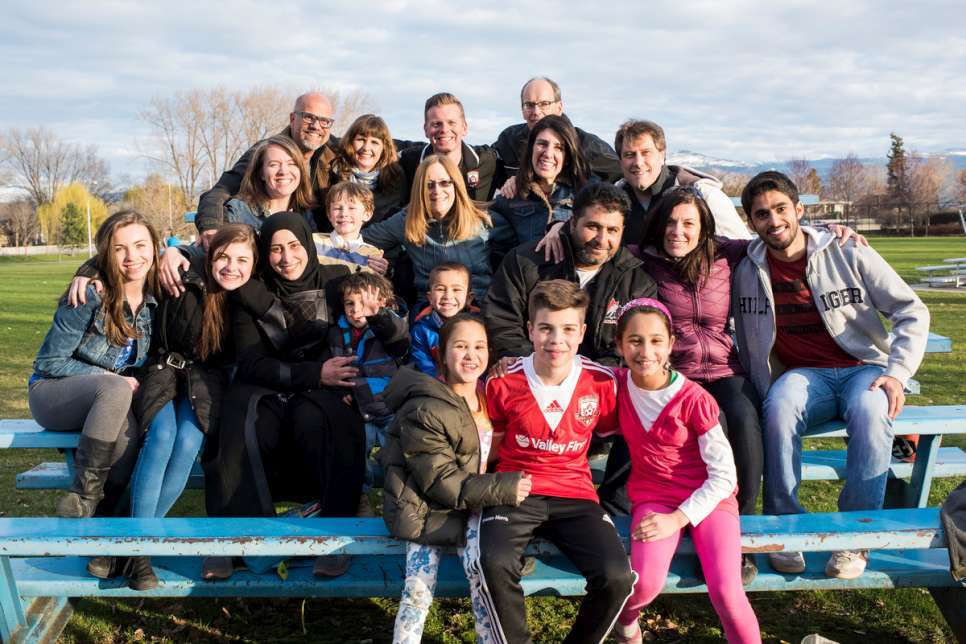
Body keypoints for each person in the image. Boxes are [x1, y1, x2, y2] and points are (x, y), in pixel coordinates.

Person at [733, 171, 930, 579]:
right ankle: (783, 527)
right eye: (762, 214)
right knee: (780, 405)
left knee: (872, 410)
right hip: (805, 375)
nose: (774, 221)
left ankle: (854, 537)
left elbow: (911, 310)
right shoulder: (747, 266)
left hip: (863, 368)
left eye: (781, 209)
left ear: (799, 210)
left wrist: (897, 372)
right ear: (751, 222)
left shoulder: (846, 250)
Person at [86, 224, 258, 591]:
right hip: (161, 373)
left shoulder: (248, 297)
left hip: (205, 386)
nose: (231, 266)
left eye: (243, 260)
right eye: (224, 257)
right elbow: (127, 262)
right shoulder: (179, 274)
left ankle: (122, 544)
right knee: (162, 435)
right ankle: (140, 553)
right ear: (209, 256)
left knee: (187, 442)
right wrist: (86, 272)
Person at [202, 212, 364, 580]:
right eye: (275, 249)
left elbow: (366, 321)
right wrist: (311, 373)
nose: (286, 257)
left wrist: (332, 377)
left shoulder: (337, 282)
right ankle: (230, 539)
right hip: (268, 381)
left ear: (307, 243)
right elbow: (251, 360)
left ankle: (335, 535)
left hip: (326, 382)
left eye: (294, 246)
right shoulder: (251, 292)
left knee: (336, 421)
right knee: (238, 425)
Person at [473, 280, 635, 644]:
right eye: (545, 328)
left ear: (581, 332)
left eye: (566, 329)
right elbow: (487, 445)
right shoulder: (503, 381)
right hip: (513, 491)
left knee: (617, 577)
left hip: (575, 494)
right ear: (530, 330)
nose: (555, 339)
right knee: (494, 562)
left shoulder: (601, 381)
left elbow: (626, 428)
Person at [609, 299, 761, 644]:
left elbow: (724, 477)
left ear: (671, 344)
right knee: (644, 583)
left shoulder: (695, 399)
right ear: (619, 344)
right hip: (655, 496)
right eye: (634, 340)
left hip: (710, 497)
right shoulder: (617, 384)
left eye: (656, 340)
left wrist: (678, 519)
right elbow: (570, 368)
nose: (645, 351)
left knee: (726, 591)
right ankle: (626, 626)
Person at [636, 187, 764, 583]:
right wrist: (556, 228)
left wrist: (826, 232)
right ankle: (698, 525)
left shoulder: (726, 254)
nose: (678, 231)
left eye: (688, 223)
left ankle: (736, 529)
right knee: (712, 426)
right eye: (671, 222)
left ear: (703, 228)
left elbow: (777, 239)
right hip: (680, 376)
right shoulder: (642, 260)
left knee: (742, 418)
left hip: (726, 368)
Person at [28, 211, 159, 586]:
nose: (131, 256)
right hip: (53, 394)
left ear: (154, 249)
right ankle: (83, 495)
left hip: (109, 403)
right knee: (117, 388)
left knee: (131, 437)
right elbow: (49, 363)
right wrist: (107, 377)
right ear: (107, 253)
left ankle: (104, 543)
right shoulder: (89, 293)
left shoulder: (154, 298)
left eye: (139, 246)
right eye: (120, 248)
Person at [382, 314, 531, 643]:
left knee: (483, 585)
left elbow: (483, 452)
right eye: (460, 346)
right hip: (424, 510)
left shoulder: (486, 395)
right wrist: (505, 488)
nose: (471, 355)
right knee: (417, 592)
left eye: (479, 346)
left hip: (473, 507)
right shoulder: (426, 405)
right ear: (440, 353)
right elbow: (440, 480)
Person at [484, 181, 656, 367]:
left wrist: (590, 378)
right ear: (573, 222)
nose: (601, 240)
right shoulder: (525, 262)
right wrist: (535, 367)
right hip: (533, 375)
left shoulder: (638, 284)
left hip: (602, 385)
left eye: (612, 230)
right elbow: (502, 320)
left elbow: (631, 344)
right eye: (593, 227)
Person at [363, 154, 513, 302]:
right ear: (419, 190)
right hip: (429, 311)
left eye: (445, 183)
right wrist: (375, 262)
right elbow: (357, 240)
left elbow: (517, 251)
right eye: (429, 185)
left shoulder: (483, 219)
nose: (437, 190)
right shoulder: (406, 221)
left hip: (477, 306)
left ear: (456, 185)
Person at [196, 92, 338, 243]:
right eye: (308, 117)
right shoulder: (266, 151)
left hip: (322, 240)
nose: (316, 126)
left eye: (324, 121)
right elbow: (220, 192)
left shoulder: (336, 151)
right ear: (293, 119)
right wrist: (211, 227)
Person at [328, 272, 409, 504]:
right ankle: (361, 498)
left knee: (396, 456)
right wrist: (340, 392)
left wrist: (380, 316)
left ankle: (399, 497)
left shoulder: (385, 327)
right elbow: (333, 369)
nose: (356, 310)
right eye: (350, 304)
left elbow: (399, 339)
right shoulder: (336, 333)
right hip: (358, 409)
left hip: (387, 406)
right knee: (356, 457)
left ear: (381, 302)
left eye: (363, 303)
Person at [614, 119, 751, 245]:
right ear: (620, 161)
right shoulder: (613, 201)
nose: (638, 163)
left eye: (646, 153)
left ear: (662, 155)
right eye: (629, 155)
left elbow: (741, 251)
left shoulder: (705, 196)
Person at [492, 77, 621, 183]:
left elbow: (622, 175)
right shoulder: (509, 140)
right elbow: (485, 162)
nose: (536, 112)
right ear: (522, 110)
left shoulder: (588, 145)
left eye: (544, 104)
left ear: (559, 107)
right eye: (529, 105)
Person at [490, 114, 591, 245]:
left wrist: (562, 228)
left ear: (567, 156)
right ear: (531, 148)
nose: (548, 154)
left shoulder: (586, 194)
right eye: (542, 144)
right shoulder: (511, 196)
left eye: (558, 148)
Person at [399, 92, 500, 202]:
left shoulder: (488, 160)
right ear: (426, 130)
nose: (444, 130)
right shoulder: (408, 161)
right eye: (436, 124)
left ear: (464, 127)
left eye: (451, 123)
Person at [223, 135, 317, 231]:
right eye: (274, 164)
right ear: (261, 173)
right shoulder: (239, 212)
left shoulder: (305, 214)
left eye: (291, 164)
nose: (283, 171)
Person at [328, 114, 407, 225]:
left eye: (374, 142)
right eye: (361, 139)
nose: (366, 148)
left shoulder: (396, 179)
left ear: (384, 148)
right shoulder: (333, 171)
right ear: (350, 142)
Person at [409, 262, 474, 378]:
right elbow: (423, 368)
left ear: (468, 298)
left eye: (456, 290)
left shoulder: (479, 328)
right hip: (438, 388)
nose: (448, 296)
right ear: (430, 298)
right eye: (440, 289)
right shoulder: (421, 330)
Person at [313, 181, 387, 274]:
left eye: (351, 208)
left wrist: (380, 274)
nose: (344, 214)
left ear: (367, 214)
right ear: (329, 215)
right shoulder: (313, 242)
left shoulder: (371, 253)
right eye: (337, 208)